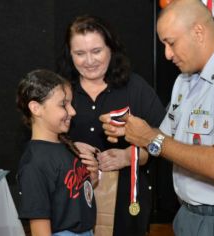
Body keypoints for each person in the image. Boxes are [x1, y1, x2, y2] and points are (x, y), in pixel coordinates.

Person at [100, 0, 214, 235]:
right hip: (188, 217)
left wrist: (150, 138)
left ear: (198, 32)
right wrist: (134, 137)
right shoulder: (185, 81)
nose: (167, 54)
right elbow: (166, 139)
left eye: (171, 43)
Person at [57, 15, 166, 236]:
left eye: (96, 51)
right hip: (70, 201)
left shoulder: (135, 88)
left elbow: (164, 140)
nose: (89, 61)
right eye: (80, 53)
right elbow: (38, 141)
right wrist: (69, 148)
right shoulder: (59, 89)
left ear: (111, 49)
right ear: (70, 54)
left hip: (128, 202)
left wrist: (129, 156)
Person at [16, 69, 99, 236]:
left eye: (71, 104)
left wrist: (92, 178)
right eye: (63, 104)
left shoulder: (66, 146)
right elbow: (40, 228)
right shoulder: (34, 164)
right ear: (36, 108)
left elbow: (73, 195)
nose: (73, 112)